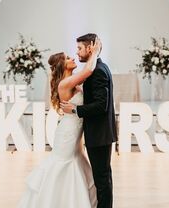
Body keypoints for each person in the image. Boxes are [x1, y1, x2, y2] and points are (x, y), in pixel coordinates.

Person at [17, 38, 101, 208]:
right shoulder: (65, 83)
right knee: (63, 163)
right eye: (68, 57)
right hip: (68, 132)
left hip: (75, 130)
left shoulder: (73, 81)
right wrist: (96, 51)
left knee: (76, 160)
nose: (73, 58)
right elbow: (89, 70)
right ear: (63, 65)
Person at [60, 33, 118, 208]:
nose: (77, 52)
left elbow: (102, 105)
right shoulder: (95, 69)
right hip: (99, 133)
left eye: (79, 48)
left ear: (90, 47)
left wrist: (76, 109)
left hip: (99, 134)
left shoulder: (98, 71)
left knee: (101, 179)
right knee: (103, 177)